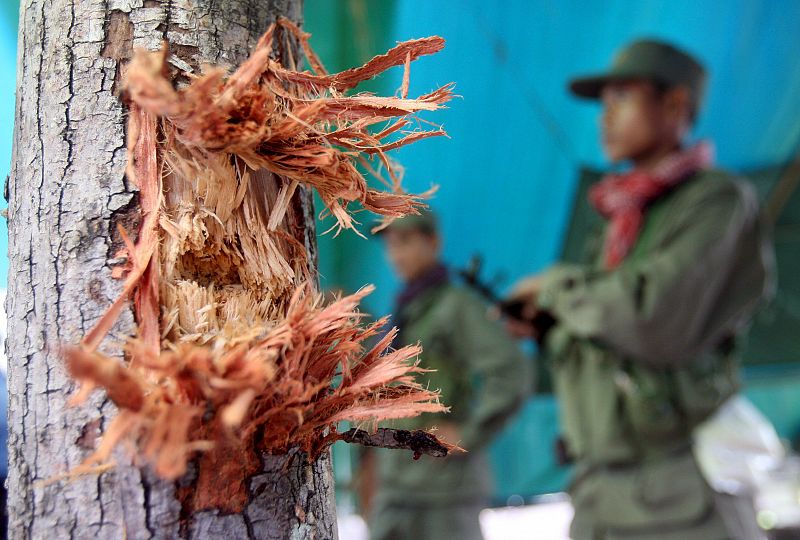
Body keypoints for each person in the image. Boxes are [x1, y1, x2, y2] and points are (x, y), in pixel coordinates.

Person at [506, 39, 773, 540]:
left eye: (622, 99)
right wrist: (545, 324)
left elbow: (653, 319)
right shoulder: (615, 216)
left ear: (674, 105)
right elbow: (601, 329)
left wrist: (557, 287)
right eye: (602, 105)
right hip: (598, 491)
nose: (605, 117)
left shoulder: (715, 200)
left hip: (680, 493)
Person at [369, 211, 530, 540]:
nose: (395, 254)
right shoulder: (406, 309)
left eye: (405, 241)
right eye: (389, 245)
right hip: (397, 487)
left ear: (434, 242)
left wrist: (469, 434)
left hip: (443, 492)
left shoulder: (455, 307)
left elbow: (511, 370)